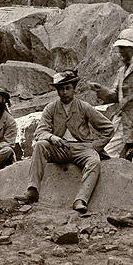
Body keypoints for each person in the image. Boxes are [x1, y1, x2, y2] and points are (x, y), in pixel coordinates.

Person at [15, 70, 114, 213]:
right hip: (59, 149)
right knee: (40, 145)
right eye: (61, 89)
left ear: (74, 89)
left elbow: (108, 128)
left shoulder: (84, 107)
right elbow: (40, 132)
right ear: (57, 91)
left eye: (68, 88)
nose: (65, 92)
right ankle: (32, 190)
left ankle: (81, 199)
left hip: (82, 148)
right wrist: (52, 137)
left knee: (94, 161)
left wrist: (95, 146)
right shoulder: (51, 108)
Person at [90, 27, 133, 169]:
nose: (119, 51)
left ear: (132, 48)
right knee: (107, 153)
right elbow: (115, 95)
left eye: (122, 47)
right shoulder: (122, 70)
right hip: (120, 121)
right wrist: (101, 90)